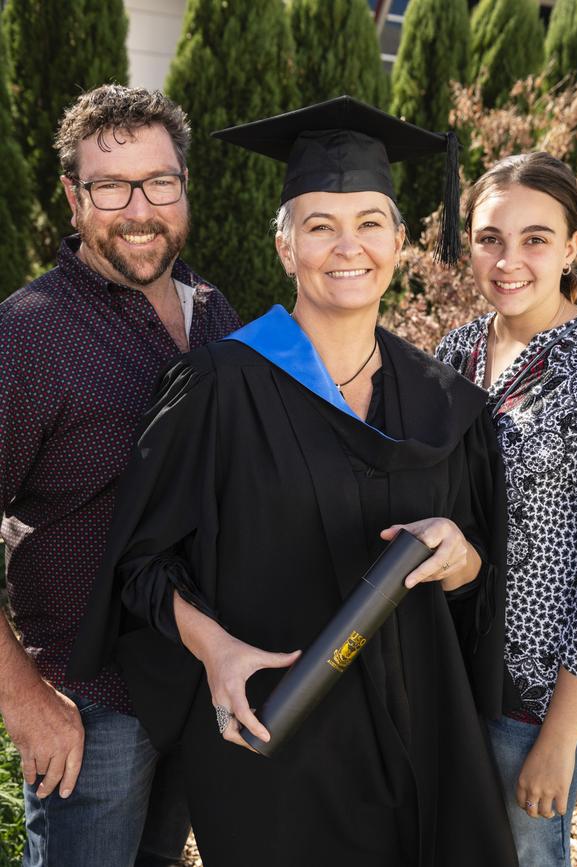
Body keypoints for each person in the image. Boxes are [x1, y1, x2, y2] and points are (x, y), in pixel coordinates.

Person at [69, 96, 519, 867]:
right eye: (320, 225)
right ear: (286, 249)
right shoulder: (218, 387)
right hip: (278, 739)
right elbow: (139, 567)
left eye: (371, 222)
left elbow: (478, 583)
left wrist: (461, 556)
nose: (349, 247)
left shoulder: (446, 403)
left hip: (421, 739)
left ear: (401, 241)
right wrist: (215, 651)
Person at [0, 84, 241, 867]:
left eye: (159, 182)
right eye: (111, 186)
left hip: (194, 687)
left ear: (183, 189)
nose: (139, 208)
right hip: (89, 708)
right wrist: (25, 703)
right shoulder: (28, 336)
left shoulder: (214, 313)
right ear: (74, 199)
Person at [435, 152, 577, 867]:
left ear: (573, 245)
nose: (509, 259)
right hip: (447, 663)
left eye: (535, 238)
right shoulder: (456, 350)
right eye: (490, 237)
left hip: (532, 694)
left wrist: (560, 735)